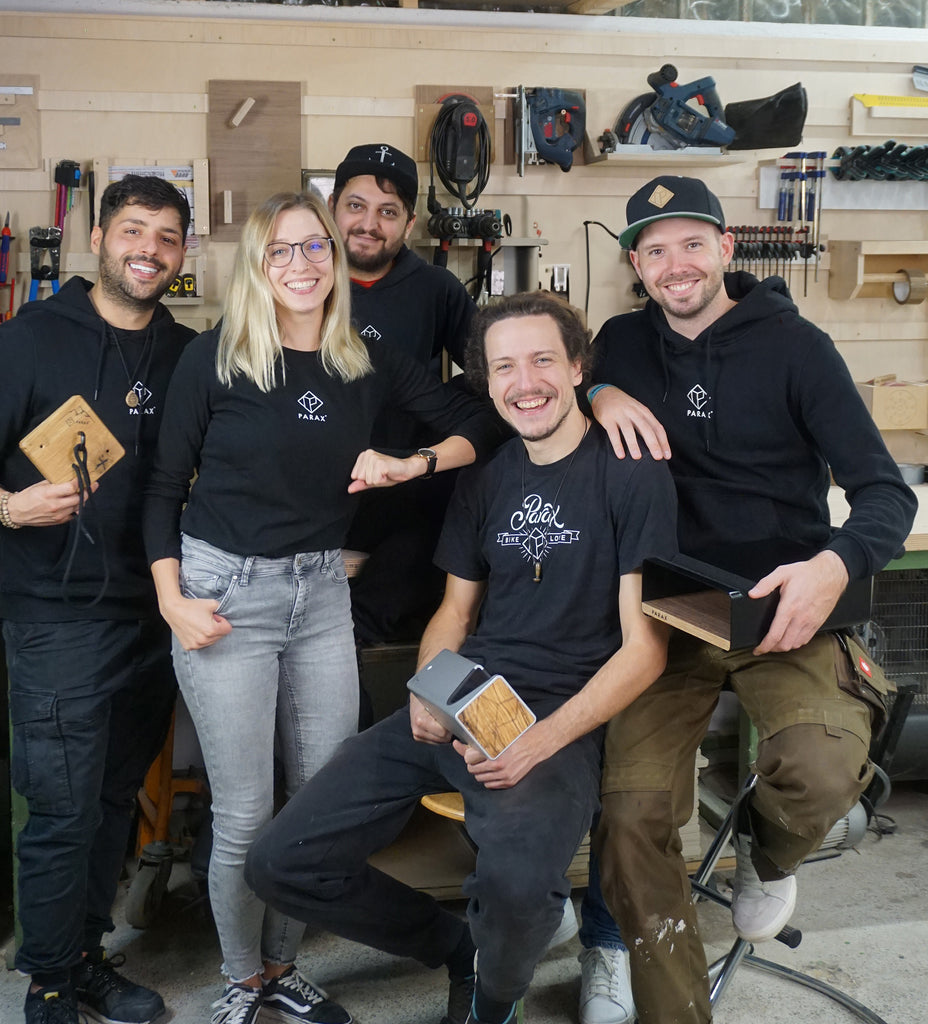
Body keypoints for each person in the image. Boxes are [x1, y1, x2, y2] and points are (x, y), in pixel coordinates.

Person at [245, 291, 679, 1024]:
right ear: (486, 381)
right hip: (469, 696)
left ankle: (494, 999)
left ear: (578, 367)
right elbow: (455, 612)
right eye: (505, 366)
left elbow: (646, 651)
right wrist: (426, 689)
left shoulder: (632, 475)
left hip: (565, 721)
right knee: (280, 861)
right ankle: (454, 947)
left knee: (514, 888)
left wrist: (539, 741)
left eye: (543, 359)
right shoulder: (486, 477)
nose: (526, 382)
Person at [142, 190, 495, 1024]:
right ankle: (241, 982)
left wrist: (411, 465)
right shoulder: (216, 358)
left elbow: (479, 422)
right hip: (223, 591)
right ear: (257, 267)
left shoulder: (362, 356)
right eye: (281, 252)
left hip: (321, 594)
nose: (301, 266)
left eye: (315, 249)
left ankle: (282, 966)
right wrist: (171, 602)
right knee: (246, 811)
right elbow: (161, 489)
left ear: (335, 259)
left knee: (321, 804)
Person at [583, 175, 918, 1024]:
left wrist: (834, 566)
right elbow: (557, 374)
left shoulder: (798, 348)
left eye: (692, 242)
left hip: (784, 606)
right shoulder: (621, 342)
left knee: (818, 771)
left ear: (727, 248)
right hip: (664, 609)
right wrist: (599, 391)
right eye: (654, 250)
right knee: (630, 817)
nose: (675, 264)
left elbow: (885, 493)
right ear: (635, 264)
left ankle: (767, 861)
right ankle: (660, 989)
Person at [0, 175, 196, 1024]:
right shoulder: (31, 340)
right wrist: (8, 505)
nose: (147, 249)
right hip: (54, 612)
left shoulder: (188, 352)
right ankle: (48, 983)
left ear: (182, 253)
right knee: (64, 807)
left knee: (115, 801)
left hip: (150, 611)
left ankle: (85, 959)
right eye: (132, 230)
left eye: (165, 236)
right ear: (98, 239)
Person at [329, 143, 481, 646]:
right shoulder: (300, 279)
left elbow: (494, 377)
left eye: (387, 212)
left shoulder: (436, 289)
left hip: (405, 489)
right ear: (332, 208)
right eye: (356, 205)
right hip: (317, 494)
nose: (369, 223)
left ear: (409, 224)